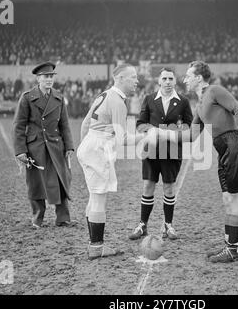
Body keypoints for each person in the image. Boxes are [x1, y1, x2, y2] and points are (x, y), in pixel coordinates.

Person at [160, 61, 238, 263]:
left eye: (188, 75)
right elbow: (191, 135)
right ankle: (232, 246)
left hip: (234, 145)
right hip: (223, 150)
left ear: (199, 77)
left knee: (236, 200)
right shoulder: (201, 104)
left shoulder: (214, 90)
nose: (185, 79)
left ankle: (233, 250)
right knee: (228, 200)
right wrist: (162, 133)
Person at [77, 63, 151, 260]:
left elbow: (85, 123)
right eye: (133, 77)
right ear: (119, 79)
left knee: (94, 198)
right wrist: (145, 136)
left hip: (89, 144)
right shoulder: (118, 101)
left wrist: (86, 147)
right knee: (99, 199)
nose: (137, 81)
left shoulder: (104, 94)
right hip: (98, 147)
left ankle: (94, 243)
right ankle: (96, 247)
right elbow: (123, 139)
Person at [128, 67, 193, 241]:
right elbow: (141, 123)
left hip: (172, 151)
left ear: (175, 81)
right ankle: (142, 225)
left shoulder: (183, 101)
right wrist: (152, 131)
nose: (168, 82)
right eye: (164, 79)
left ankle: (168, 225)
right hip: (151, 151)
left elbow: (189, 127)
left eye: (171, 79)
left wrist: (173, 132)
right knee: (148, 186)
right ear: (159, 81)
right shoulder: (149, 99)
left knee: (169, 188)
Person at [13, 61, 74, 228]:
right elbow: (19, 125)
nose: (49, 80)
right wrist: (20, 151)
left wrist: (69, 146)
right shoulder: (27, 98)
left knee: (61, 181)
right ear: (38, 79)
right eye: (46, 77)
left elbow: (65, 125)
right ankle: (37, 219)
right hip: (35, 148)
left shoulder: (59, 98)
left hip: (56, 146)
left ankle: (63, 218)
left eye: (51, 77)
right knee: (36, 184)